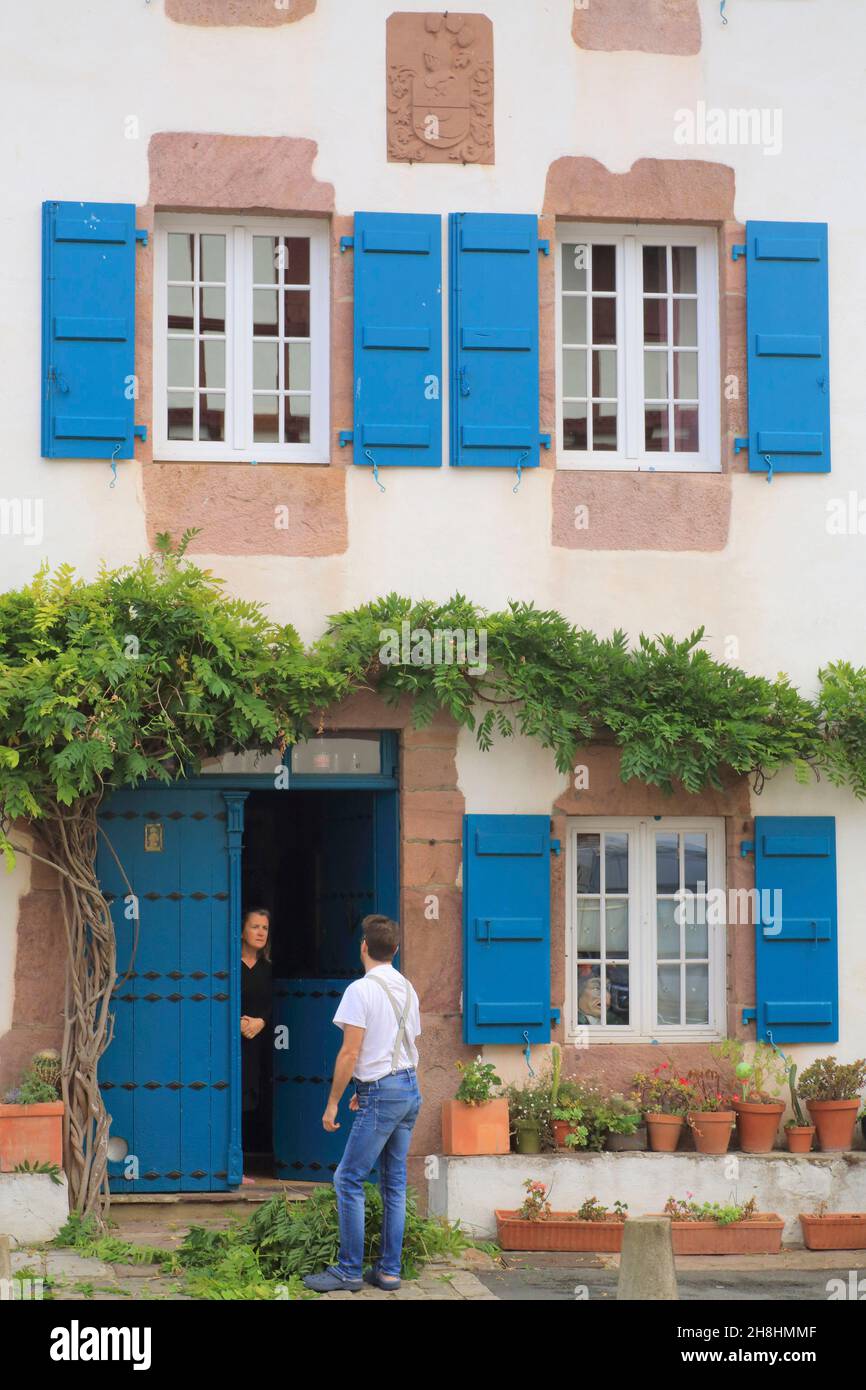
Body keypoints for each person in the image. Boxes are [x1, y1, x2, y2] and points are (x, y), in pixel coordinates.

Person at [303, 914, 421, 1293]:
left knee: (348, 1178)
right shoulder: (408, 988)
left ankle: (350, 1270)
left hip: (383, 1093)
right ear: (396, 950)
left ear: (364, 947)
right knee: (395, 1183)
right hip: (407, 1088)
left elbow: (349, 1053)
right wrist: (365, 1089)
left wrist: (333, 1101)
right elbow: (400, 1043)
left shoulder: (360, 990)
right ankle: (388, 1272)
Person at [240, 907, 273, 1185]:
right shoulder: (229, 965)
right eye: (255, 926)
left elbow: (271, 1004)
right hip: (233, 1041)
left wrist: (260, 1022)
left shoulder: (267, 968)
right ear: (242, 931)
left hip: (255, 1043)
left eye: (264, 927)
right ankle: (233, 1166)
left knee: (248, 1099)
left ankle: (242, 1164)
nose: (260, 932)